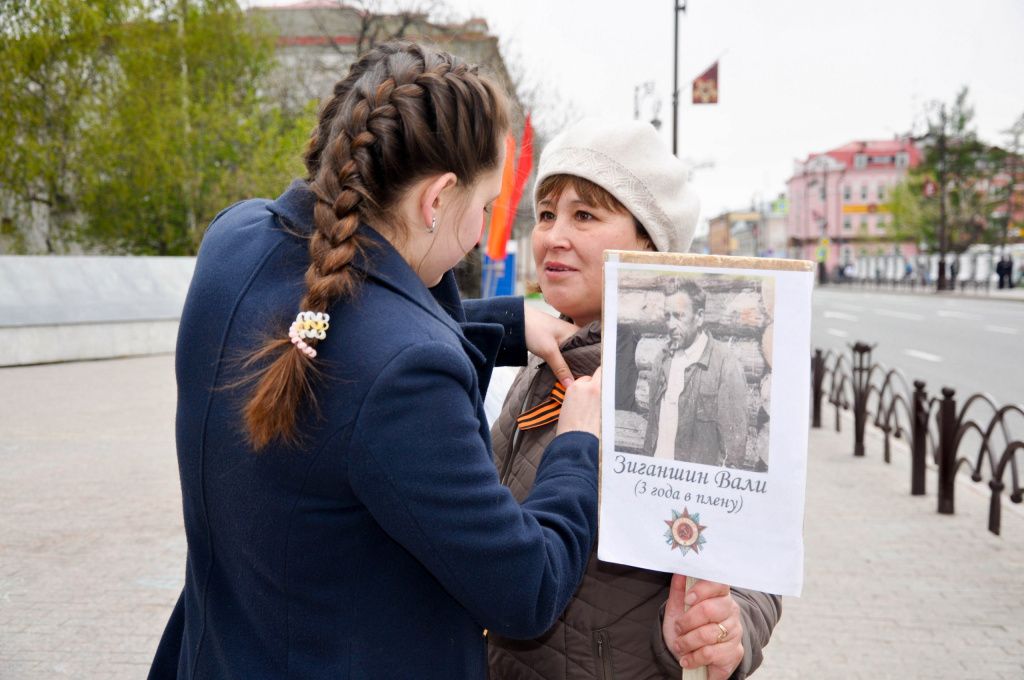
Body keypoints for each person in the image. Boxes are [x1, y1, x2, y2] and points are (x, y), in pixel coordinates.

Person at [148, 42, 604, 680]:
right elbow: (526, 588)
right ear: (436, 198)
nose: (481, 229)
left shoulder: (233, 243)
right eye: (486, 205)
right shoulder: (410, 376)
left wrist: (499, 322)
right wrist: (577, 447)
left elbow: (340, 317)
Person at [488, 118, 780, 680]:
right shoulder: (543, 360)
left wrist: (723, 628)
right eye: (546, 214)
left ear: (648, 242)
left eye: (585, 215)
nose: (553, 236)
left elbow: (750, 550)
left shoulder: (670, 371)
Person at [636, 278, 750, 467]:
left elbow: (733, 451)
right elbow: (653, 430)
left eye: (678, 316)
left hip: (696, 489)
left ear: (699, 317)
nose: (671, 325)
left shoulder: (725, 363)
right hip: (657, 478)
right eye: (667, 316)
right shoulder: (662, 359)